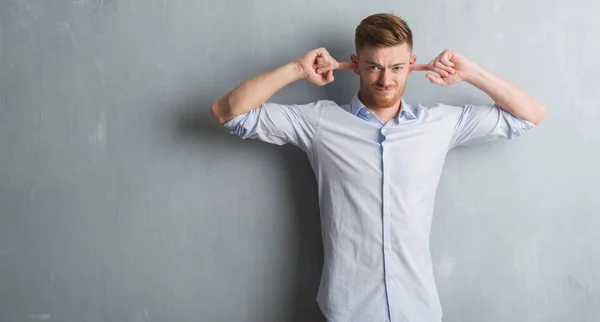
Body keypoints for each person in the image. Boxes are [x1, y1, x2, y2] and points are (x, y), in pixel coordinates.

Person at [210, 12, 546, 322]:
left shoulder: (441, 124)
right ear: (354, 64)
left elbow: (530, 114)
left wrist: (470, 72)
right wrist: (298, 68)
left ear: (413, 65)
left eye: (397, 67)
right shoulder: (319, 122)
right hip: (348, 309)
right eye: (373, 67)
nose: (386, 79)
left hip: (418, 309)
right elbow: (229, 112)